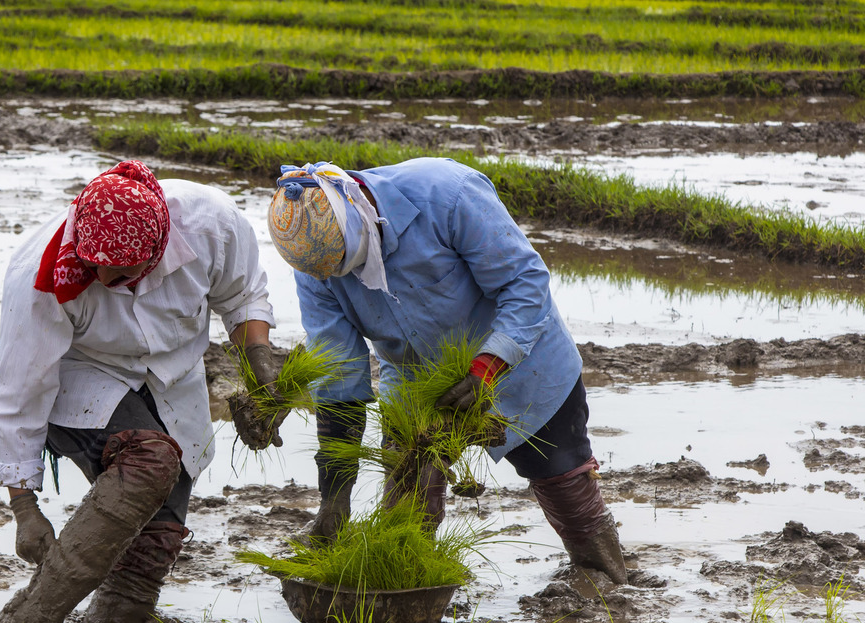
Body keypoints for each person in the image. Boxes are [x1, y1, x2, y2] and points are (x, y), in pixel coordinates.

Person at [265, 159, 628, 584]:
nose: (346, 279)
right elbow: (339, 377)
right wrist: (333, 501)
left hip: (521, 364)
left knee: (567, 489)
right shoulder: (317, 266)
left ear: (361, 213)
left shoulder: (448, 194)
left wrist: (486, 367)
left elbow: (524, 282)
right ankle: (406, 607)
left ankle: (608, 588)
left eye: (354, 264)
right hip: (417, 388)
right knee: (406, 507)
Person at [0, 160, 282, 623]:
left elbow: (243, 296)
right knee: (150, 459)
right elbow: (20, 389)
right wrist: (24, 506)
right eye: (97, 265)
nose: (104, 275)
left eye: (124, 271)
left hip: (173, 371)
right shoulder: (40, 274)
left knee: (155, 539)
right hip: (81, 371)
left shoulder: (213, 225)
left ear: (159, 248)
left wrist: (260, 368)